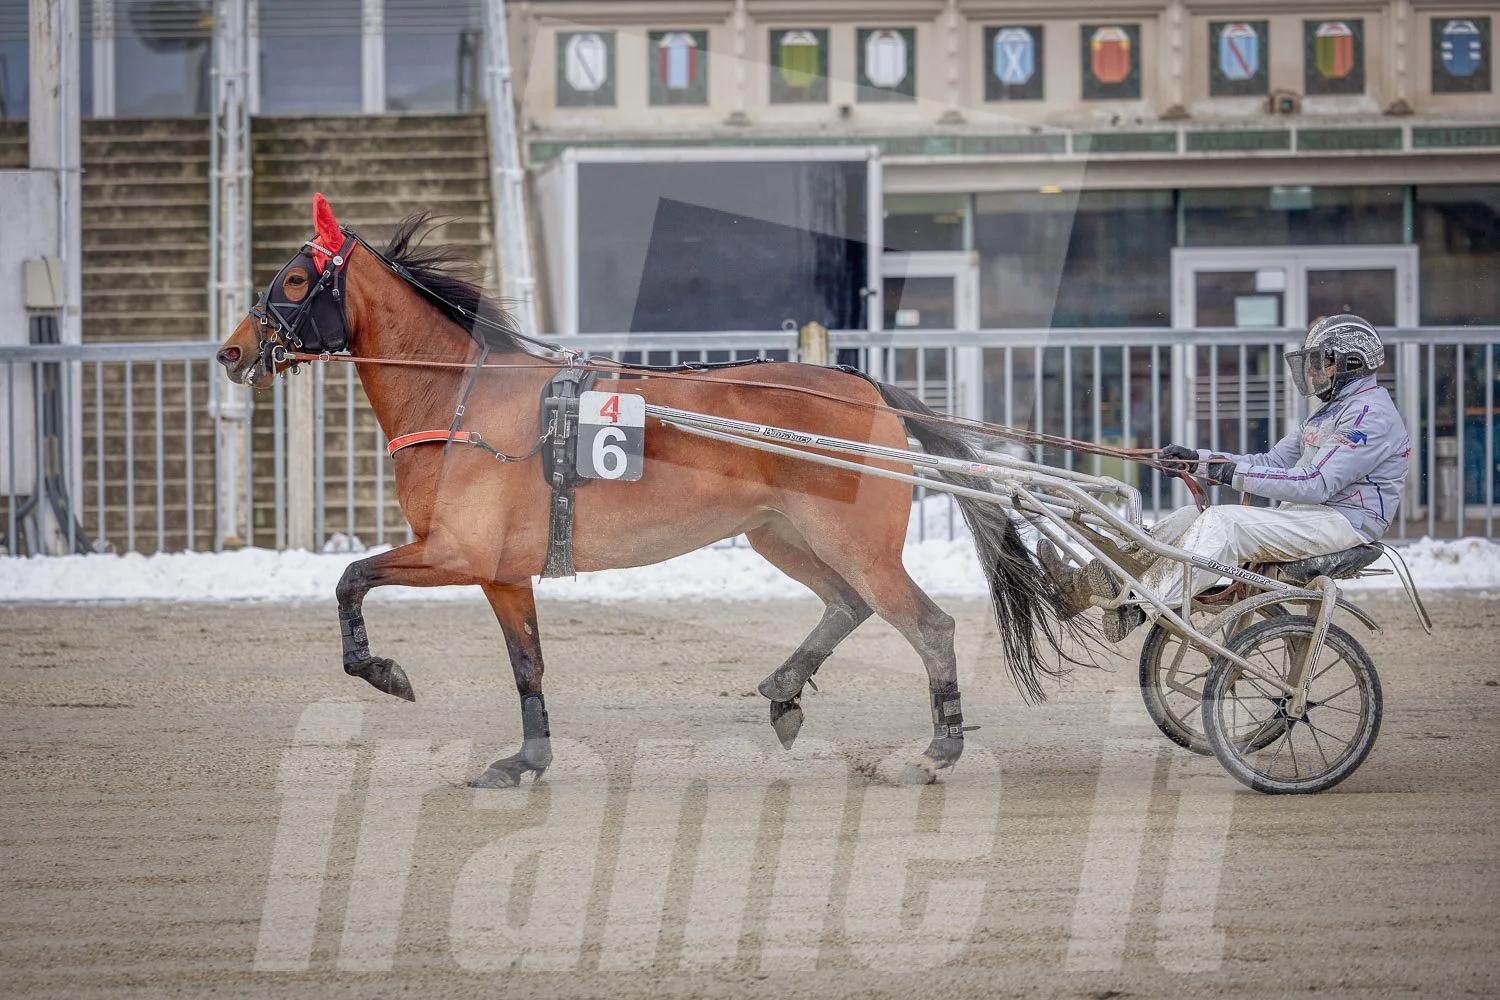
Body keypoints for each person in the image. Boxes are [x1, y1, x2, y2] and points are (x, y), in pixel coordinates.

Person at [1039, 314, 1411, 642]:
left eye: (1321, 362)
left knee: (1223, 522)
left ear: (1350, 364)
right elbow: (1272, 461)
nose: (1313, 372)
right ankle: (1082, 586)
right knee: (1193, 518)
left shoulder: (1370, 416)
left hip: (1344, 523)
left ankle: (1136, 607)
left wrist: (1230, 473)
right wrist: (1198, 462)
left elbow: (1315, 483)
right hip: (1309, 515)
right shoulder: (1330, 412)